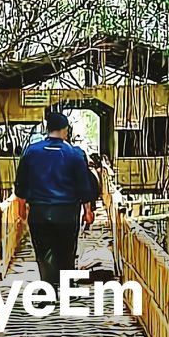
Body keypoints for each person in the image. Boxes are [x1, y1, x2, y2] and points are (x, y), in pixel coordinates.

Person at [14, 109, 98, 289]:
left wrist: (21, 209)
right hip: (67, 212)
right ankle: (68, 288)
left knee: (44, 253)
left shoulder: (31, 152)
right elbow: (83, 186)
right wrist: (88, 211)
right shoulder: (75, 154)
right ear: (65, 130)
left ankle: (48, 289)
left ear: (47, 128)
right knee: (66, 251)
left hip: (39, 211)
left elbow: (21, 184)